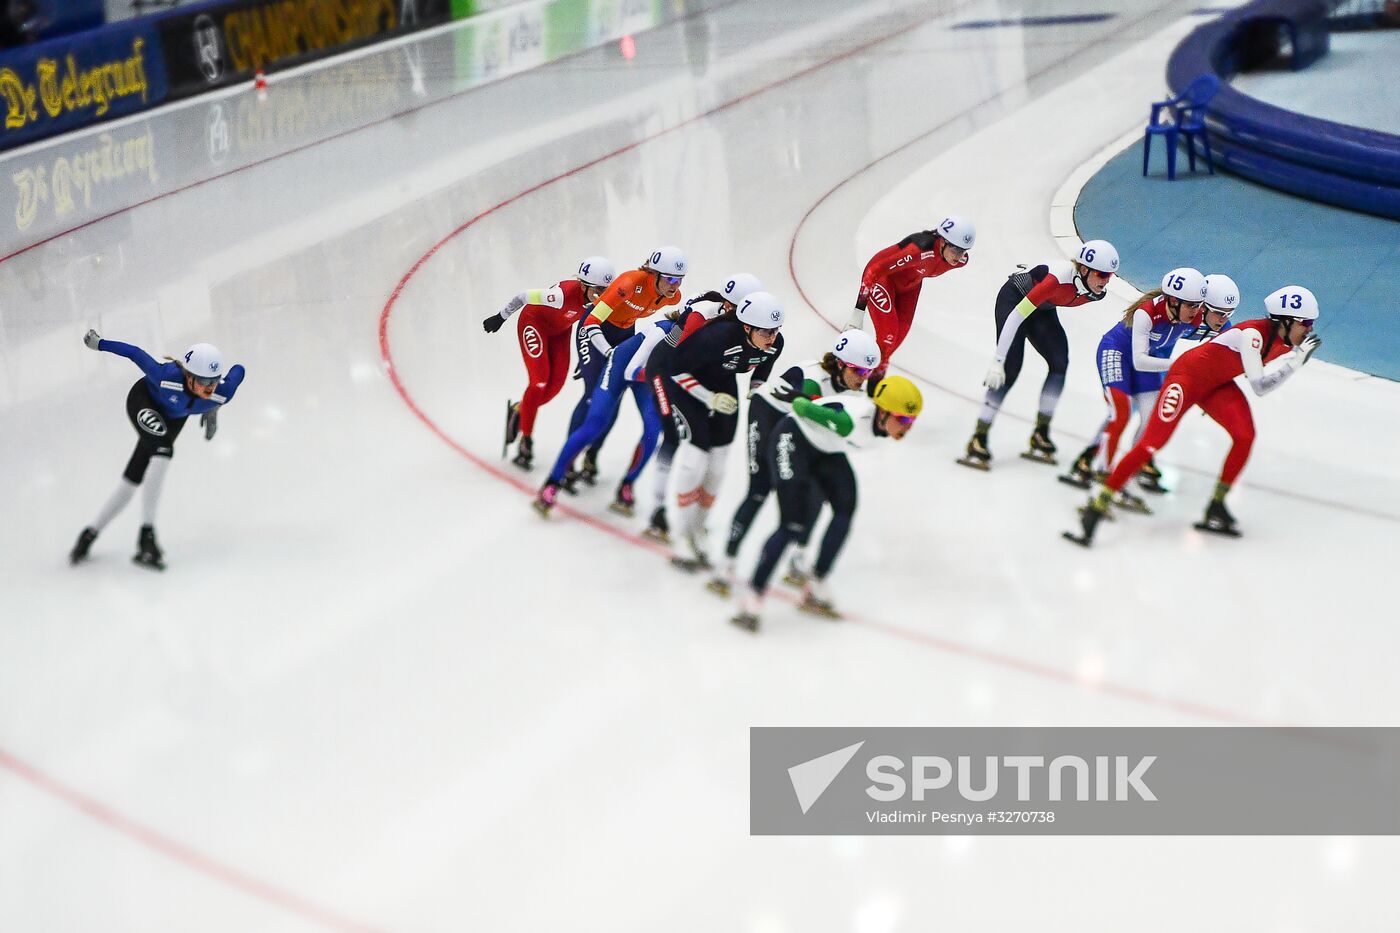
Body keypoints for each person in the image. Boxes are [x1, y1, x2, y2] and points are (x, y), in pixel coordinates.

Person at [1065, 285, 1322, 546]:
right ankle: (1097, 505)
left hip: (1216, 385)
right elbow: (1259, 386)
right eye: (1305, 323)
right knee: (1151, 444)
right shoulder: (1254, 335)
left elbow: (1242, 371)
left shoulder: (1287, 342)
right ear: (1285, 320)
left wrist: (1294, 357)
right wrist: (1296, 363)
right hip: (1185, 379)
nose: (1310, 329)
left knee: (1245, 436)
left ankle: (1217, 506)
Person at [731, 375, 923, 633]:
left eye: (911, 420)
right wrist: (803, 398)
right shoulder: (850, 423)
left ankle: (817, 581)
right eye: (903, 419)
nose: (907, 426)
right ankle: (753, 596)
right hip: (793, 439)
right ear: (883, 412)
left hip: (825, 449)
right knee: (793, 523)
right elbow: (801, 407)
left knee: (845, 509)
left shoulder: (877, 424)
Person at [709, 329, 881, 596]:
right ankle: (726, 562)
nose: (863, 378)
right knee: (759, 490)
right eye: (858, 370)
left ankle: (798, 557)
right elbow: (808, 409)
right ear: (839, 363)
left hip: (800, 428)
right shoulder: (813, 378)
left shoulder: (853, 389)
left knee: (815, 493)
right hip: (768, 417)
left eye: (868, 372)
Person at [71, 331, 246, 570]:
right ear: (188, 375)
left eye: (214, 380)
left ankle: (90, 533)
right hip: (143, 401)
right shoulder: (166, 376)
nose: (209, 387)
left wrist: (214, 407)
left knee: (130, 484)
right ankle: (147, 534)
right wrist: (100, 344)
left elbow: (239, 370)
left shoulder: (221, 393)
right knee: (163, 451)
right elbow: (135, 353)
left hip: (174, 420)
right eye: (204, 382)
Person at [651, 290, 786, 570]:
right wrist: (708, 398)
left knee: (719, 463)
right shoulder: (717, 337)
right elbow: (675, 370)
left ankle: (699, 528)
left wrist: (755, 392)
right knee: (695, 457)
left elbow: (762, 369)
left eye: (775, 331)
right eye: (766, 332)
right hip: (688, 388)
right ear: (746, 327)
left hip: (724, 385)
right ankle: (681, 534)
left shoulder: (775, 343)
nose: (771, 338)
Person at [960, 239, 1120, 470]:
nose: (1106, 282)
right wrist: (998, 361)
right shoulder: (1056, 280)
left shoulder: (1095, 292)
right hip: (1014, 301)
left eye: (1110, 276)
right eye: (1102, 275)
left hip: (1042, 309)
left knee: (1059, 363)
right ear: (1084, 269)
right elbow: (1016, 316)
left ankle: (1041, 432)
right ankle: (979, 436)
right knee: (1010, 369)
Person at [1059, 267, 1207, 508]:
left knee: (1152, 422)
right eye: (1191, 305)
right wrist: (1180, 365)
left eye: (1199, 305)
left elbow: (1220, 333)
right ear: (1173, 300)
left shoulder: (1197, 316)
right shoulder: (1146, 313)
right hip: (1117, 353)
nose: (1196, 311)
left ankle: (1123, 477)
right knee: (1121, 414)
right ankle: (1102, 475)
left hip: (1149, 361)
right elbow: (1139, 360)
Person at [639, 272, 763, 541]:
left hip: (696, 371)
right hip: (667, 370)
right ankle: (658, 511)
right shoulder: (704, 313)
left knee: (705, 445)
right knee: (672, 435)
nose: (732, 312)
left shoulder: (734, 320)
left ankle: (688, 514)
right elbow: (676, 358)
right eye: (730, 306)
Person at [562, 246, 686, 489]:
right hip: (594, 331)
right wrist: (608, 353)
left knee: (613, 400)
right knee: (592, 396)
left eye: (680, 280)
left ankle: (592, 454)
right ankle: (568, 462)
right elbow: (591, 321)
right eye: (670, 278)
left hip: (624, 332)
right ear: (655, 274)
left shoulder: (673, 296)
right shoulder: (629, 283)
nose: (675, 285)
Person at [532, 316, 675, 516]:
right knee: (596, 423)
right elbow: (632, 371)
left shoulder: (700, 342)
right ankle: (553, 482)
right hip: (624, 366)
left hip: (648, 373)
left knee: (654, 429)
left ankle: (627, 484)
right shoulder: (667, 330)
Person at [483, 256, 616, 470]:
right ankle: (526, 441)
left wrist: (586, 358)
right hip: (534, 322)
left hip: (560, 332)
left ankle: (520, 410)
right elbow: (523, 296)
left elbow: (592, 327)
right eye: (598, 291)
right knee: (539, 382)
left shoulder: (601, 301)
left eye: (606, 291)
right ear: (583, 285)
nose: (602, 297)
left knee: (555, 388)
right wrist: (500, 317)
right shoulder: (560, 296)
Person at [847, 214, 974, 391]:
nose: (958, 256)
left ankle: (872, 390)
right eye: (955, 250)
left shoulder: (960, 261)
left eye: (963, 251)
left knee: (895, 341)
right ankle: (849, 373)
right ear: (943, 241)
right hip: (883, 279)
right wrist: (858, 311)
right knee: (888, 334)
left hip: (910, 287)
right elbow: (874, 270)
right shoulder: (919, 250)